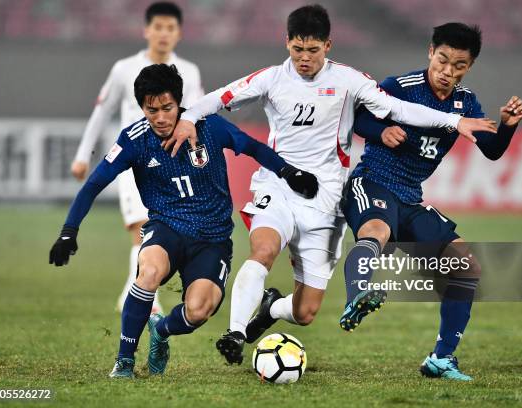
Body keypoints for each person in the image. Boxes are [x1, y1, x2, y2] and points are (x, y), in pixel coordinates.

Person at [162, 4, 497, 365]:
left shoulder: (350, 81)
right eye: (297, 49)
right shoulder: (271, 79)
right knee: (263, 249)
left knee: (305, 312)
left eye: (313, 50)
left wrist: (454, 122)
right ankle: (236, 333)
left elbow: (398, 110)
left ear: (328, 45)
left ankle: (271, 307)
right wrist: (190, 116)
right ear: (287, 42)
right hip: (278, 185)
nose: (304, 58)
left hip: (325, 198)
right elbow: (222, 96)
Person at [48, 64, 318, 378]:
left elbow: (253, 147)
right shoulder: (134, 139)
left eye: (167, 108)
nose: (161, 118)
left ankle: (161, 331)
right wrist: (69, 231)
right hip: (166, 228)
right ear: (142, 108)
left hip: (212, 239)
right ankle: (124, 362)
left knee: (199, 310)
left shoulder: (209, 127)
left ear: (179, 103)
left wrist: (288, 172)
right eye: (152, 110)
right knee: (147, 271)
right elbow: (94, 184)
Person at [344, 22, 522, 381]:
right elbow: (357, 118)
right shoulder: (401, 87)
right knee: (377, 231)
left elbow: (491, 151)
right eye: (442, 60)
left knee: (465, 266)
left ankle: (441, 359)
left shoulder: (466, 102)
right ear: (430, 52)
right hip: (373, 184)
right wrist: (381, 130)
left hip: (411, 199)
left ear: (469, 66)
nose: (447, 71)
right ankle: (357, 294)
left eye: (458, 65)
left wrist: (506, 126)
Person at [71, 2, 204, 314]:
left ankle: (132, 291)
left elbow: (196, 119)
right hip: (136, 162)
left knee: (163, 230)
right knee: (142, 227)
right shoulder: (124, 69)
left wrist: (197, 158)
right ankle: (149, 300)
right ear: (146, 30)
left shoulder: (190, 72)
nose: (163, 34)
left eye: (170, 28)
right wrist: (82, 157)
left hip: (173, 165)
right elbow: (101, 112)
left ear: (179, 34)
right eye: (158, 27)